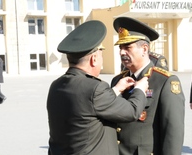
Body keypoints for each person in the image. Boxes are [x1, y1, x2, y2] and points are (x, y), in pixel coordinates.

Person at [47, 20, 150, 155]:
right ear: (94, 59)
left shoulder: (57, 85)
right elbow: (132, 111)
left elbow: (86, 106)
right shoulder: (95, 88)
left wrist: (116, 90)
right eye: (101, 55)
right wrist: (140, 89)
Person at [111, 17, 185, 155]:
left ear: (144, 49)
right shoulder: (118, 80)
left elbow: (172, 133)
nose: (122, 52)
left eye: (127, 47)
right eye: (120, 48)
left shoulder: (165, 81)